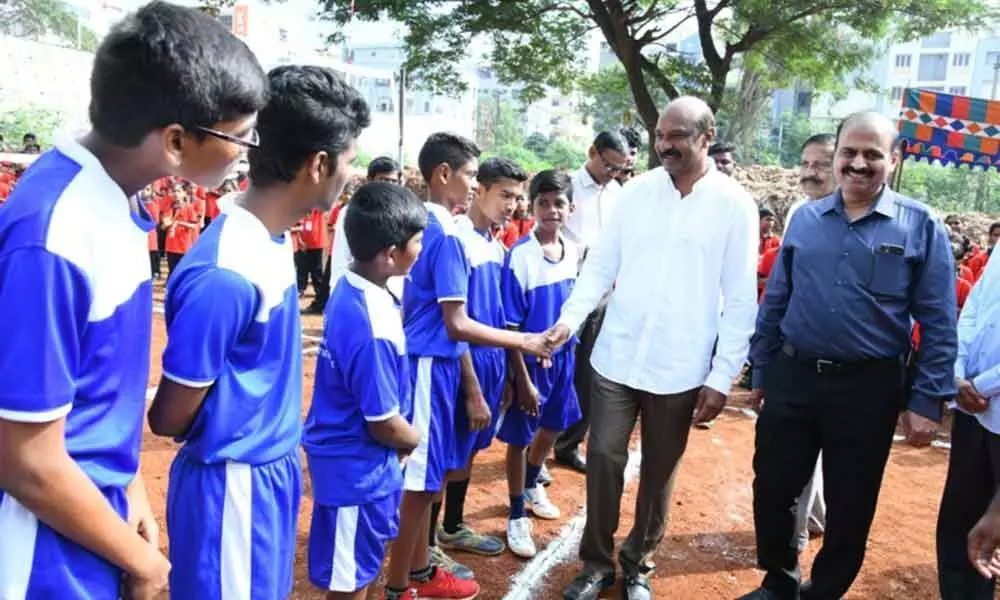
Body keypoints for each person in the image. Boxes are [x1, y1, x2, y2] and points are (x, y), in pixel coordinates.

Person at [0, 2, 268, 599]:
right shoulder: (55, 233)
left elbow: (95, 394)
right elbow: (24, 458)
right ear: (175, 140)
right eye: (239, 137)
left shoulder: (114, 201)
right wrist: (143, 564)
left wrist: (130, 486)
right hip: (41, 556)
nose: (246, 153)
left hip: (90, 520)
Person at [147, 65, 369, 600]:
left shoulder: (267, 243)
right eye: (349, 160)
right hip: (233, 485)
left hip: (262, 475)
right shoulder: (228, 271)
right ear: (318, 164)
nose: (352, 174)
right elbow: (170, 415)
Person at [546, 96, 758, 600]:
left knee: (660, 469)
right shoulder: (634, 194)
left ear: (705, 138)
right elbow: (600, 266)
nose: (664, 144)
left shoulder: (735, 205)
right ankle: (595, 564)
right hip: (618, 355)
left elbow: (742, 297)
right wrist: (569, 321)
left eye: (677, 136)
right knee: (602, 454)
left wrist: (721, 374)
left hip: (681, 365)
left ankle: (639, 563)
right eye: (661, 134)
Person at [743, 111, 957, 600]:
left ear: (894, 160)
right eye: (849, 153)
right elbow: (777, 298)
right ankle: (779, 582)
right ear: (836, 155)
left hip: (869, 387)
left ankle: (826, 591)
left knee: (851, 500)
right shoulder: (806, 220)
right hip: (794, 375)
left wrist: (926, 400)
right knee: (773, 486)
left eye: (872, 155)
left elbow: (939, 320)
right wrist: (762, 364)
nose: (858, 164)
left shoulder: (921, 226)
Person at [382, 132, 551, 600]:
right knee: (419, 481)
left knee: (430, 475)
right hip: (429, 367)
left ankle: (418, 570)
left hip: (435, 366)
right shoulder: (446, 234)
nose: (476, 186)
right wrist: (525, 340)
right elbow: (455, 323)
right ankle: (402, 585)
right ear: (443, 175)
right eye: (473, 176)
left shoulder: (434, 228)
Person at [303, 181, 426, 600]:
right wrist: (414, 438)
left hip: (355, 469)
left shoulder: (354, 287)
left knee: (359, 566)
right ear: (391, 254)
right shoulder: (373, 325)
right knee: (350, 581)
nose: (421, 249)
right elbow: (384, 424)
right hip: (357, 473)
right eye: (417, 241)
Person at [438, 157, 529, 560]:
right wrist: (473, 388)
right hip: (465, 366)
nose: (511, 205)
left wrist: (508, 376)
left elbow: (498, 320)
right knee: (448, 454)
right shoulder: (457, 239)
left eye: (517, 198)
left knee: (470, 449)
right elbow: (453, 324)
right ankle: (426, 544)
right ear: (482, 190)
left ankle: (453, 527)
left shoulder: (495, 245)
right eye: (505, 194)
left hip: (491, 367)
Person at [500, 169, 581, 559]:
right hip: (530, 365)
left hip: (564, 360)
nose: (551, 210)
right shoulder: (521, 256)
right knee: (520, 437)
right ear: (530, 208)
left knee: (552, 427)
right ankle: (516, 514)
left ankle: (533, 482)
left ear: (570, 208)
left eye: (559, 203)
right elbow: (510, 327)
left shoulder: (574, 251)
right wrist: (522, 379)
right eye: (543, 203)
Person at [554, 130, 628, 475]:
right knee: (557, 370)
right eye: (609, 165)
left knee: (588, 374)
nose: (613, 173)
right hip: (566, 289)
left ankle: (567, 444)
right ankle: (534, 449)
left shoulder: (618, 194)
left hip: (601, 297)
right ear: (592, 152)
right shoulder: (566, 187)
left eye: (619, 168)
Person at [937, 211, 1000, 599]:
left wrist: (981, 384)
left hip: (986, 400)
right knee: (959, 527)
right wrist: (957, 373)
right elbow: (974, 311)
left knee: (989, 533)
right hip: (974, 412)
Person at [328, 156, 405, 297]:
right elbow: (341, 257)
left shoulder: (404, 214)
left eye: (393, 182)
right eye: (383, 180)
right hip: (358, 294)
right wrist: (336, 293)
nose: (388, 186)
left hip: (395, 296)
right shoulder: (351, 212)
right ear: (370, 180)